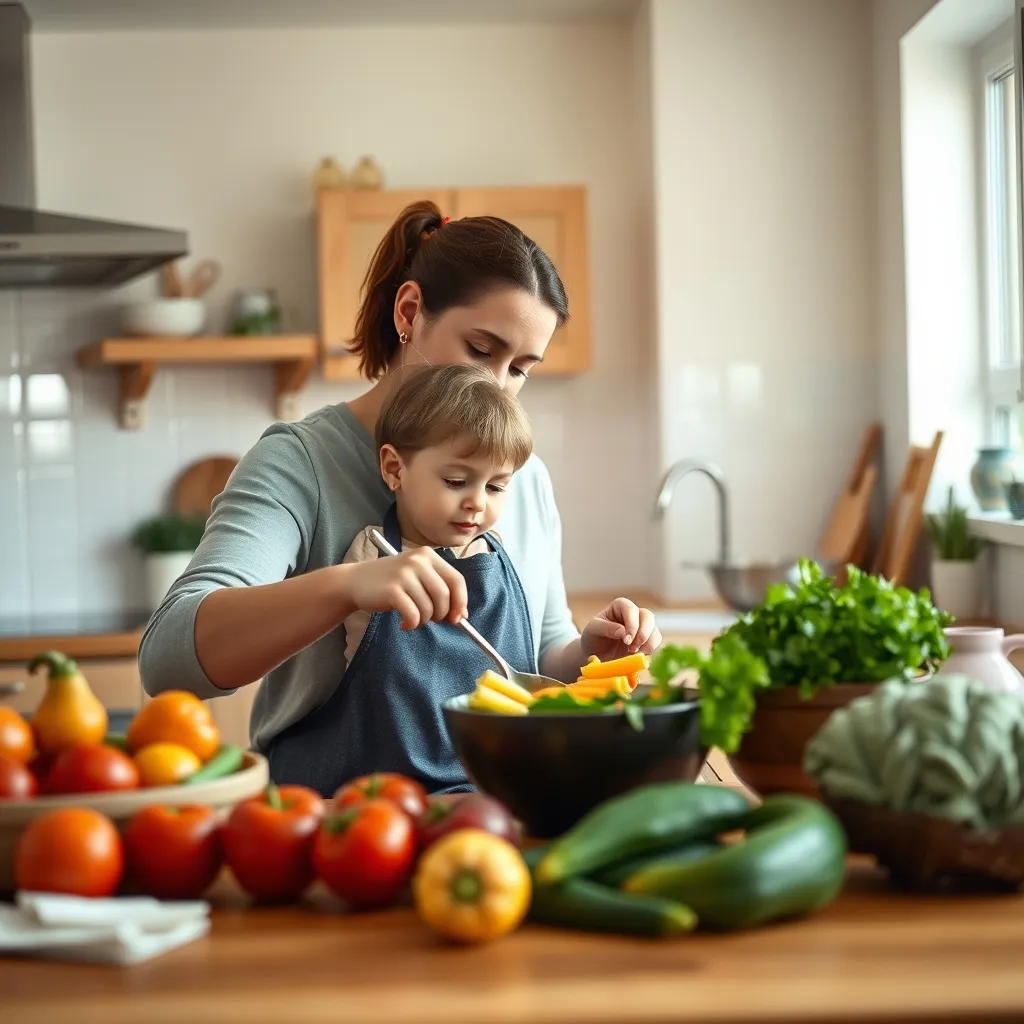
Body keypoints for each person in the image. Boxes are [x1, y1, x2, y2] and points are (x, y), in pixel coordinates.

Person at [138, 200, 662, 793]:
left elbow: (536, 656)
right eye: (481, 350)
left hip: (492, 815)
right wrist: (348, 586)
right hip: (339, 828)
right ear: (410, 311)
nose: (496, 388)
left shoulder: (525, 476)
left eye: (521, 369)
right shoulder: (301, 463)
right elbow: (168, 660)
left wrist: (591, 655)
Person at [270, 362, 535, 795]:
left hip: (489, 788)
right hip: (381, 795)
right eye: (455, 480)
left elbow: (531, 677)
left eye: (496, 488)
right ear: (394, 468)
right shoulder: (370, 556)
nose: (476, 504)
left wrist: (589, 650)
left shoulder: (497, 552)